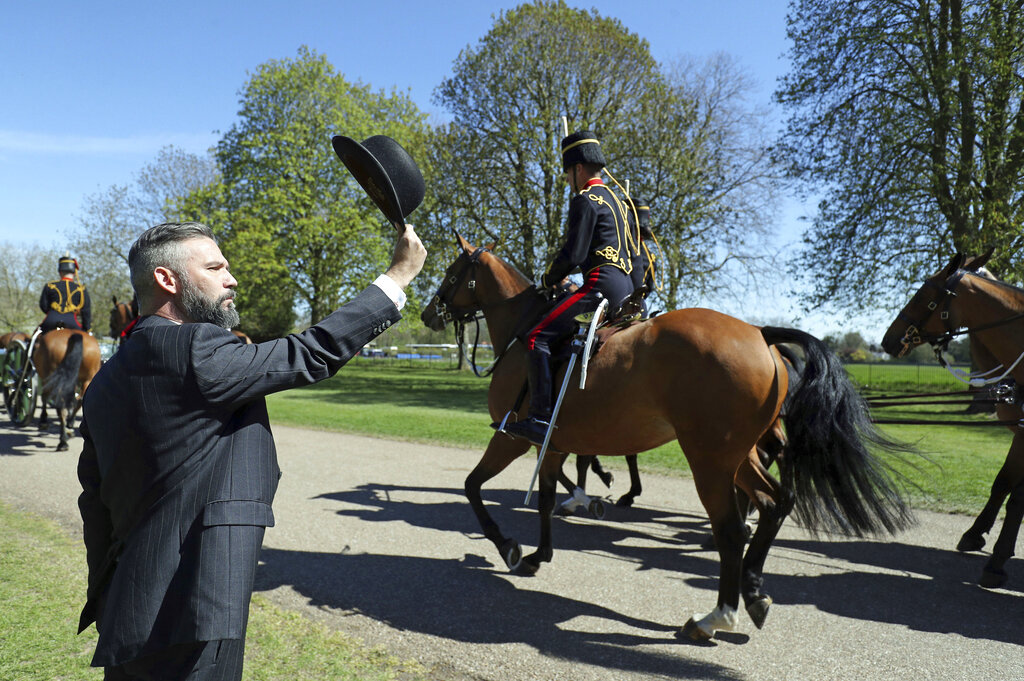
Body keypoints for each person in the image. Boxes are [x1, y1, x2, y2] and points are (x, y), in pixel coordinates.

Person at [77, 220, 426, 680]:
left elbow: (94, 503)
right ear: (168, 279)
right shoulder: (196, 348)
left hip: (128, 607)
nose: (232, 278)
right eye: (216, 267)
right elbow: (310, 353)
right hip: (195, 607)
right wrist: (397, 278)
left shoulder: (103, 382)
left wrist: (107, 594)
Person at [501, 130, 635, 445]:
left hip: (600, 286)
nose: (566, 181)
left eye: (566, 173)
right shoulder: (619, 202)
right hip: (626, 287)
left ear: (576, 169)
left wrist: (549, 278)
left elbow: (573, 254)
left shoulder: (585, 200)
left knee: (536, 337)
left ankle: (539, 419)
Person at [39, 255, 92, 333]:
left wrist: (53, 312)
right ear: (74, 273)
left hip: (51, 320)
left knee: (36, 337)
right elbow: (86, 312)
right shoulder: (81, 289)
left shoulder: (49, 286)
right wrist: (87, 328)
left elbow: (43, 305)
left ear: (60, 272)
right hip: (72, 322)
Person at [626, 198, 656, 316]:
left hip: (624, 307)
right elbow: (650, 286)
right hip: (642, 307)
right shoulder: (649, 254)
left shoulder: (626, 247)